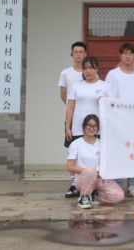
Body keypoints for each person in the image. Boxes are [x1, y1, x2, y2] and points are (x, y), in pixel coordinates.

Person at [104, 42, 134, 197]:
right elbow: (109, 96)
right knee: (119, 151)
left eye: (130, 53)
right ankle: (118, 184)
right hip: (118, 120)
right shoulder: (113, 74)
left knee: (133, 150)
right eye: (125, 53)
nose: (127, 56)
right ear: (120, 56)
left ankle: (132, 185)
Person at [66, 114, 124, 209]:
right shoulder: (75, 144)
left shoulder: (102, 143)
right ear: (84, 126)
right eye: (89, 125)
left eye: (94, 126)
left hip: (99, 178)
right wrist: (90, 171)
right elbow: (69, 167)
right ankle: (84, 196)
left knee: (118, 196)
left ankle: (95, 194)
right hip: (83, 179)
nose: (91, 129)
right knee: (91, 170)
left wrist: (102, 171)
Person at [59, 41, 86, 198]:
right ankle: (74, 185)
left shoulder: (90, 72)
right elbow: (63, 95)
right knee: (73, 151)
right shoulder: (66, 73)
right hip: (72, 118)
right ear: (72, 54)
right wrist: (73, 110)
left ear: (85, 54)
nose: (78, 54)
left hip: (88, 121)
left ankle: (89, 183)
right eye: (76, 52)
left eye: (81, 52)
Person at [65, 57, 112, 142]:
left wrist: (104, 101)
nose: (88, 71)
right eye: (85, 68)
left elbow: (112, 106)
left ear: (97, 69)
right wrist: (67, 127)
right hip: (78, 127)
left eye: (91, 68)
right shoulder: (76, 85)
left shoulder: (105, 86)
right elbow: (70, 107)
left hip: (97, 128)